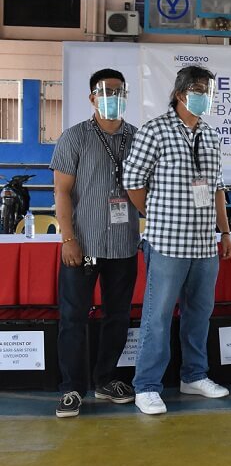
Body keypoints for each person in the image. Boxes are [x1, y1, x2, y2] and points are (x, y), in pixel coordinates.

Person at [123, 65, 231, 415]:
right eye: (201, 89)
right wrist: (155, 214)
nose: (207, 97)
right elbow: (133, 181)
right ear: (181, 93)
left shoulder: (211, 135)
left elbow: (216, 187)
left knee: (199, 314)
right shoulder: (155, 130)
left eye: (210, 91)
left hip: (204, 246)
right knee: (156, 316)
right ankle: (146, 386)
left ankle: (194, 375)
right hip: (167, 244)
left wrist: (225, 230)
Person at [50, 68, 140, 418]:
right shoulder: (74, 137)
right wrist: (68, 238)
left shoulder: (136, 137)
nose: (112, 98)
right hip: (83, 245)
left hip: (124, 245)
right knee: (73, 318)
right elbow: (61, 190)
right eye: (106, 92)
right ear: (92, 97)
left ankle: (105, 380)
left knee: (117, 317)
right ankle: (71, 388)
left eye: (119, 92)